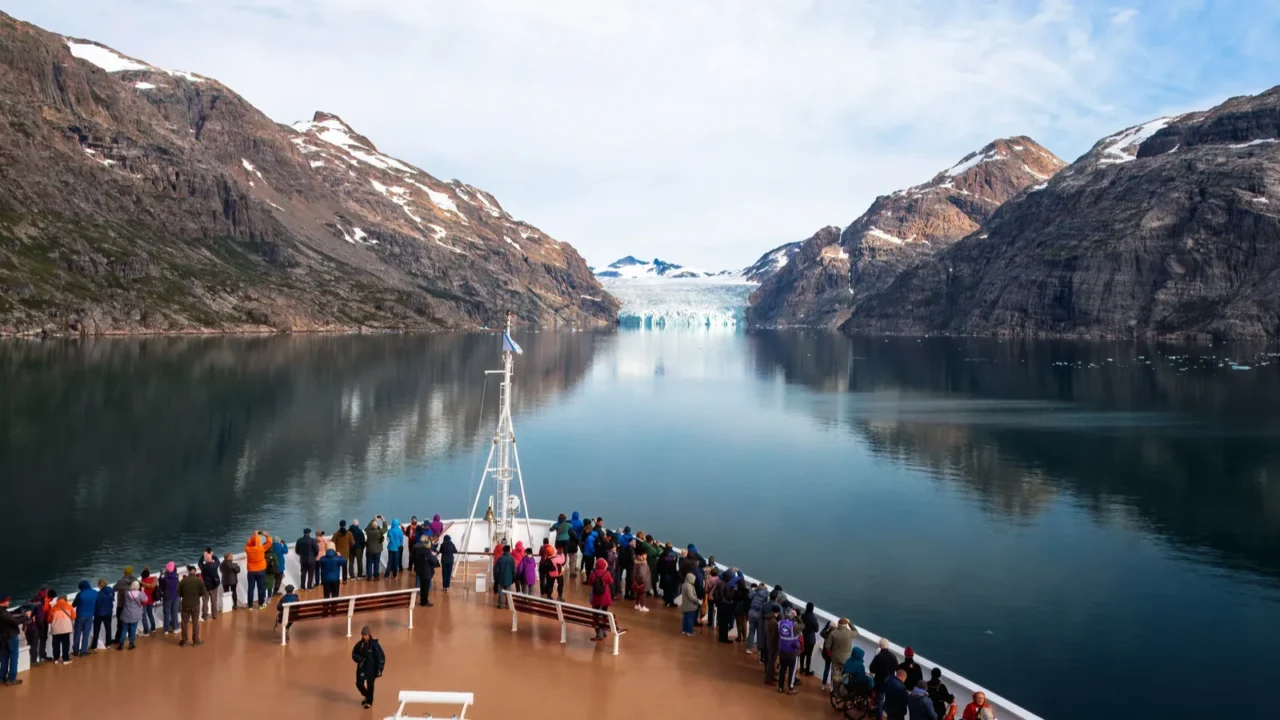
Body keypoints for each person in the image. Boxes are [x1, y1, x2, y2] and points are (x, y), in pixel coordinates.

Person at [352, 625, 385, 709]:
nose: (363, 636)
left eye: (365, 635)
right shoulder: (360, 644)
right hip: (361, 668)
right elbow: (354, 654)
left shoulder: (375, 645)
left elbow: (381, 657)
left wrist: (379, 669)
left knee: (370, 686)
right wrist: (360, 659)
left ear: (369, 634)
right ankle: (367, 696)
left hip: (372, 670)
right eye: (362, 635)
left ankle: (369, 702)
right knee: (359, 684)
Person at [871, 637, 900, 720]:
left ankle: (878, 718)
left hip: (879, 683)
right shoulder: (893, 657)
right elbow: (897, 669)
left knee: (879, 702)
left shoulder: (878, 657)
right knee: (888, 701)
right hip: (890, 683)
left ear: (880, 646)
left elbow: (872, 668)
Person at [0, 594, 25, 686]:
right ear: (2, 603)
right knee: (14, 657)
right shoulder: (4, 613)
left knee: (4, 657)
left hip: (3, 638)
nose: (8, 602)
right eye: (7, 600)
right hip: (11, 637)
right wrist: (24, 617)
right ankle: (11, 679)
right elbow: (15, 622)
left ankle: (1, 677)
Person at [245, 530, 273, 609]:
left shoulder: (247, 549)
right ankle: (261, 604)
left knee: (250, 588)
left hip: (251, 571)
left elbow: (248, 543)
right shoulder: (261, 548)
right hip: (261, 570)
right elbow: (270, 542)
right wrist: (266, 535)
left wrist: (254, 535)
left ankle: (250, 606)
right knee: (261, 588)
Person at [587, 558, 613, 641]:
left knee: (596, 616)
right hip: (605, 598)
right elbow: (611, 582)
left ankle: (599, 633)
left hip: (596, 598)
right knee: (604, 614)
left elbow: (589, 583)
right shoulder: (607, 573)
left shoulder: (593, 573)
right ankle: (603, 630)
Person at [44, 589, 73, 663]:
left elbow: (49, 620)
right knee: (65, 644)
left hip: (56, 629)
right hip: (66, 629)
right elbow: (73, 617)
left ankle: (56, 659)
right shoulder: (69, 607)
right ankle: (65, 658)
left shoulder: (53, 608)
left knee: (56, 644)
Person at [178, 566, 204, 647]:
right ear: (195, 571)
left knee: (184, 623)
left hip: (185, 604)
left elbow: (179, 593)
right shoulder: (199, 581)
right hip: (195, 604)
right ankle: (196, 641)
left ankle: (184, 640)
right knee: (195, 623)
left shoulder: (183, 581)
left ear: (188, 571)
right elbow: (202, 593)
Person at [826, 618, 857, 688]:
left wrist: (831, 652)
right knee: (844, 675)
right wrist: (850, 623)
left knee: (835, 675)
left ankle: (833, 689)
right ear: (846, 625)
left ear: (838, 624)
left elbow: (827, 646)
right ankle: (842, 690)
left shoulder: (833, 633)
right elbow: (856, 632)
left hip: (835, 658)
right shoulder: (850, 633)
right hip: (846, 659)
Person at [72, 580, 98, 656]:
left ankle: (76, 650)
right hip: (90, 615)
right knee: (86, 633)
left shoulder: (80, 594)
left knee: (77, 633)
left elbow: (74, 605)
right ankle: (83, 650)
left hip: (80, 615)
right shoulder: (95, 593)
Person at [411, 537, 439, 606]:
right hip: (427, 571)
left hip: (419, 570)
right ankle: (424, 601)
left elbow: (412, 558)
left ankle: (422, 600)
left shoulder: (417, 549)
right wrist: (435, 557)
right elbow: (434, 562)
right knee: (425, 588)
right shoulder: (427, 551)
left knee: (422, 586)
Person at [111, 567, 136, 645]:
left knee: (120, 624)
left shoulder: (120, 582)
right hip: (132, 606)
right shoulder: (135, 581)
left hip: (121, 606)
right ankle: (131, 641)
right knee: (131, 624)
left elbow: (114, 589)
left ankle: (118, 639)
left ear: (124, 573)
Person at [117, 581, 145, 651]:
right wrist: (142, 591)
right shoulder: (140, 594)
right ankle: (131, 644)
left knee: (124, 630)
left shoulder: (127, 593)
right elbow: (145, 599)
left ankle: (121, 644)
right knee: (133, 629)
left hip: (126, 613)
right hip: (135, 615)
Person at [91, 578, 114, 649]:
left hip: (99, 614)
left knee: (96, 629)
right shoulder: (111, 591)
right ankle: (108, 643)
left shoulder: (98, 594)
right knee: (108, 628)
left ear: (99, 585)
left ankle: (94, 645)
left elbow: (96, 604)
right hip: (108, 612)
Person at [746, 582, 768, 654]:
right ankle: (759, 650)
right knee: (759, 633)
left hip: (752, 612)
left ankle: (748, 648)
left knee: (751, 631)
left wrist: (757, 589)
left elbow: (749, 596)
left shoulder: (756, 591)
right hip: (759, 614)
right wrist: (765, 588)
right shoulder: (765, 593)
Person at [200, 551, 222, 620]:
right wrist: (213, 555)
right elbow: (218, 561)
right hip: (213, 585)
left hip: (206, 586)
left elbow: (199, 562)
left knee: (205, 601)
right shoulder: (214, 565)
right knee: (214, 601)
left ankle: (205, 615)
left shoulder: (203, 566)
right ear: (211, 559)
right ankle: (214, 614)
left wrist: (203, 556)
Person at [159, 563, 180, 633]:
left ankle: (166, 629)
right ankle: (175, 628)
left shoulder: (165, 578)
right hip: (175, 596)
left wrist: (160, 577)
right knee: (174, 612)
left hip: (167, 597)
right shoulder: (176, 576)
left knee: (166, 613)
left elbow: (161, 587)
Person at [763, 605, 780, 686]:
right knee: (771, 662)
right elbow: (774, 635)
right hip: (772, 644)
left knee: (771, 661)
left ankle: (771, 676)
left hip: (768, 641)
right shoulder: (774, 622)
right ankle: (768, 679)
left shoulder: (767, 618)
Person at [799, 602, 818, 675]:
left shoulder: (803, 615)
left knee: (802, 654)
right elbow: (816, 629)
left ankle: (801, 669)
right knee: (809, 656)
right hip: (810, 640)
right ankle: (807, 671)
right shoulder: (813, 617)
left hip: (803, 637)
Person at [139, 569, 158, 636]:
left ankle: (146, 631)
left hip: (143, 602)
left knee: (144, 616)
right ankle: (153, 628)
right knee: (150, 614)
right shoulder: (152, 581)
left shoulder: (141, 583)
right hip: (151, 600)